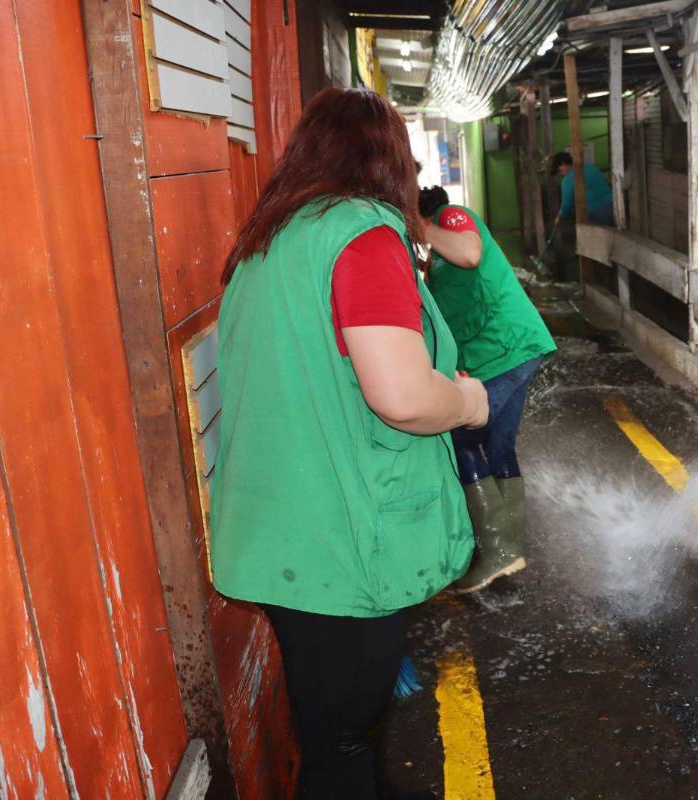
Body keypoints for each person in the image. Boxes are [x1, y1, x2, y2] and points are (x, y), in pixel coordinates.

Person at [211, 88, 488, 798]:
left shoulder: (270, 240)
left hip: (285, 534)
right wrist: (466, 402)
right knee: (341, 748)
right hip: (342, 543)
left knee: (340, 735)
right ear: (390, 162)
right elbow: (402, 396)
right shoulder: (363, 238)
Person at [419, 185, 557, 593]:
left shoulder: (451, 217)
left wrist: (421, 226)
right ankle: (508, 550)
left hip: (507, 349)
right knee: (498, 447)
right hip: (500, 355)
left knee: (459, 438)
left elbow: (470, 253)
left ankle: (498, 550)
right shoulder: (434, 262)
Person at [551, 151, 614, 226]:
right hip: (612, 205)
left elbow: (566, 205)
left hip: (595, 212)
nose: (560, 174)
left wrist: (560, 217)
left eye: (559, 170)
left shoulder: (567, 179)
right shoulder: (590, 167)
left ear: (563, 164)